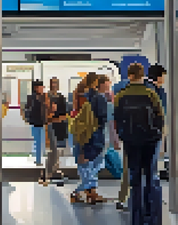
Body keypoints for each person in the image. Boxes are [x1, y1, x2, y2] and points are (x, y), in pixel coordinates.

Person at [115, 64, 163, 225]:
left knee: (134, 177)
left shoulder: (121, 95)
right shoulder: (151, 93)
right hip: (150, 140)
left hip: (130, 140)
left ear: (129, 75)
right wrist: (156, 134)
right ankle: (151, 215)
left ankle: (136, 216)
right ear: (142, 75)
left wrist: (123, 136)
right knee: (150, 175)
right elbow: (160, 117)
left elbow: (117, 118)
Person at [70, 72, 107, 204]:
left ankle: (89, 192)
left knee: (85, 165)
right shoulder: (98, 98)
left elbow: (74, 113)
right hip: (94, 134)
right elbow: (102, 118)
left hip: (81, 134)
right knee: (95, 163)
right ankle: (83, 191)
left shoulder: (79, 97)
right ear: (96, 82)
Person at [45, 78, 67, 184]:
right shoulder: (47, 97)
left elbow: (65, 111)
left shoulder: (61, 97)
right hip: (51, 125)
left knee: (58, 150)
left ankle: (55, 170)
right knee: (52, 150)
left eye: (55, 83)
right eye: (52, 83)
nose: (54, 85)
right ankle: (49, 171)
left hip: (60, 126)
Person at [25, 80, 48, 167]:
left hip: (41, 123)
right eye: (41, 87)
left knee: (40, 142)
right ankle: (38, 159)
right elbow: (27, 109)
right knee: (37, 142)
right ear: (36, 88)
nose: (42, 88)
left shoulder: (44, 98)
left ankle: (40, 159)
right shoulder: (32, 98)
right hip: (35, 123)